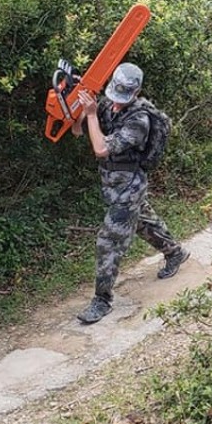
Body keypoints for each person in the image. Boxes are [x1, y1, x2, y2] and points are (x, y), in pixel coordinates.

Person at [71, 63, 189, 324]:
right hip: (111, 184)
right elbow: (77, 130)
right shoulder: (106, 105)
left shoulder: (139, 120)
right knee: (143, 222)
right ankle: (175, 252)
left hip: (130, 185)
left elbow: (101, 149)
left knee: (108, 240)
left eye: (124, 95)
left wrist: (90, 115)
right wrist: (77, 103)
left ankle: (102, 300)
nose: (116, 100)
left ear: (136, 92)